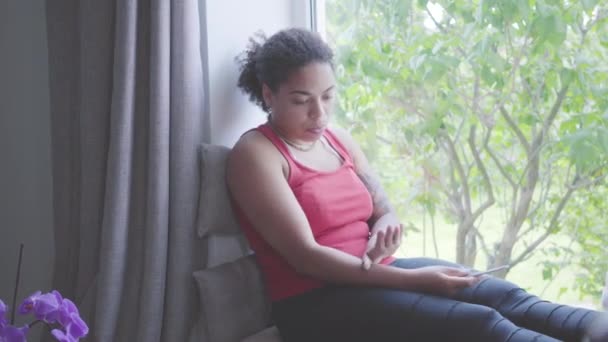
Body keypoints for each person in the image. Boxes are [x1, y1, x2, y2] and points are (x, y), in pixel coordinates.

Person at [227, 28, 606, 342]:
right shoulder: (256, 153)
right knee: (479, 324)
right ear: (268, 94)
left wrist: (387, 220)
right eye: (301, 101)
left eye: (328, 96)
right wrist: (415, 279)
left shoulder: (337, 139)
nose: (319, 113)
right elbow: (305, 257)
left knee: (501, 294)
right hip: (316, 301)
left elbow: (380, 204)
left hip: (377, 275)